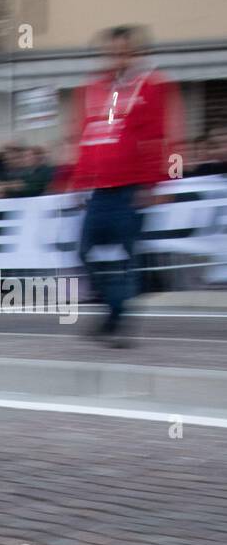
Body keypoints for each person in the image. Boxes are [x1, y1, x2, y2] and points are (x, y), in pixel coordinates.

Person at [68, 24, 182, 346]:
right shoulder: (92, 89)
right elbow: (85, 138)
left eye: (125, 52)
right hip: (100, 191)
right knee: (84, 253)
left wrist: (165, 183)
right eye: (113, 52)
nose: (118, 58)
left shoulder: (153, 87)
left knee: (126, 261)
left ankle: (117, 324)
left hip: (133, 189)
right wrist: (78, 182)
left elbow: (170, 138)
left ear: (138, 54)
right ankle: (114, 311)